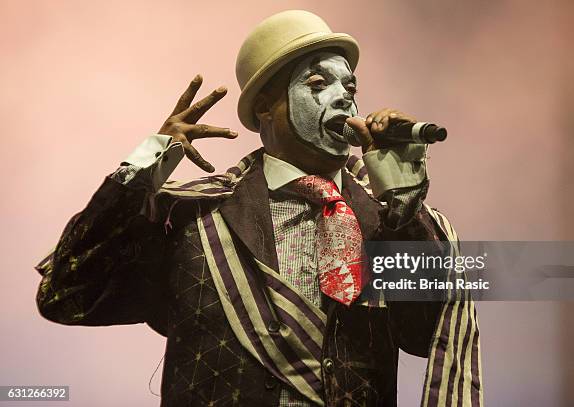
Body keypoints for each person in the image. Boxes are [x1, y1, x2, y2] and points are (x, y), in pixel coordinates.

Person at [34, 10, 482, 407]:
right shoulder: (191, 216)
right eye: (318, 84)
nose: (345, 97)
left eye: (350, 86)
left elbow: (426, 336)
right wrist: (151, 160)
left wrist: (404, 208)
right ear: (266, 107)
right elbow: (67, 295)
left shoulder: (385, 220)